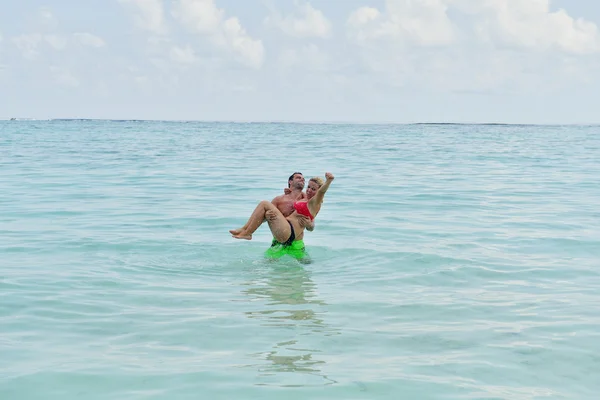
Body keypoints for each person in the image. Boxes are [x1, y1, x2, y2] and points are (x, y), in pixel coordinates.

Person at [229, 172, 335, 260]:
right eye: (308, 187)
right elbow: (262, 216)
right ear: (290, 182)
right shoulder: (302, 197)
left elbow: (322, 192)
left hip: (290, 232)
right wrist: (268, 215)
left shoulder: (315, 202)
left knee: (264, 203)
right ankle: (245, 230)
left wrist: (328, 181)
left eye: (313, 189)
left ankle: (247, 233)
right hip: (284, 233)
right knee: (264, 205)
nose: (309, 190)